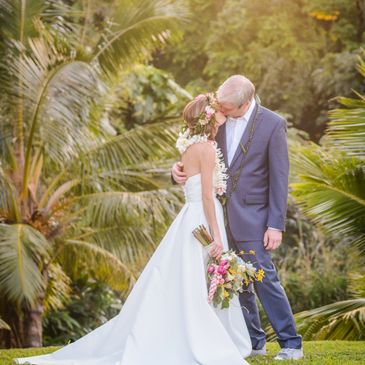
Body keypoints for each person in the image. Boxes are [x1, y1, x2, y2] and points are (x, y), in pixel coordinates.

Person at [14, 94, 252, 365]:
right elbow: (208, 197)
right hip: (204, 217)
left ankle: (198, 334)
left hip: (190, 217)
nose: (222, 113)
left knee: (193, 278)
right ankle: (200, 337)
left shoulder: (188, 146)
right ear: (209, 118)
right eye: (216, 110)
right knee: (198, 278)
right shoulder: (207, 148)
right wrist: (217, 237)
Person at [172, 75, 303, 361]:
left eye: (228, 108)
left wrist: (275, 224)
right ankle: (254, 341)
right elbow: (195, 151)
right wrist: (176, 171)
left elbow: (280, 178)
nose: (221, 111)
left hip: (255, 219)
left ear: (245, 104)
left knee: (262, 278)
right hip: (216, 217)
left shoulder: (272, 124)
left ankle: (291, 342)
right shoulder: (215, 120)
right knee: (233, 281)